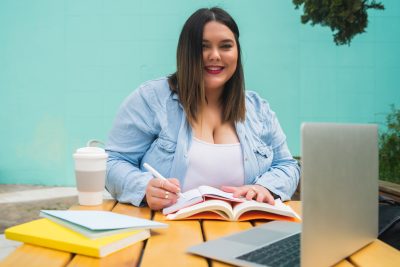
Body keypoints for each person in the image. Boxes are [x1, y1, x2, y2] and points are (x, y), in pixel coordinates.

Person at [105, 7, 300, 211]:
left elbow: (287, 165)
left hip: (244, 230)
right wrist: (143, 187)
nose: (215, 55)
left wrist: (264, 187)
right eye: (203, 46)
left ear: (237, 52)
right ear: (186, 52)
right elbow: (111, 162)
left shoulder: (258, 109)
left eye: (226, 46)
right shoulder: (151, 99)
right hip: (168, 232)